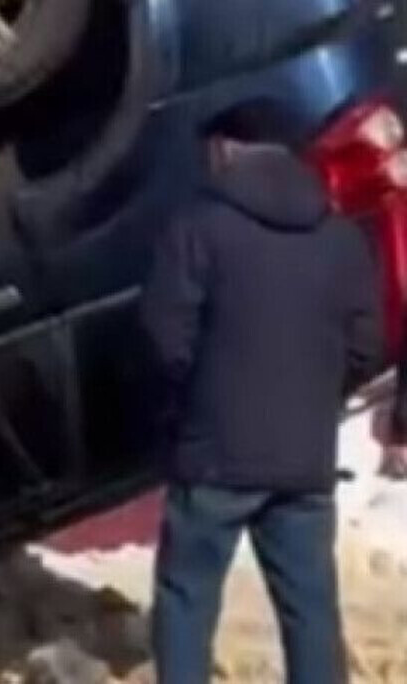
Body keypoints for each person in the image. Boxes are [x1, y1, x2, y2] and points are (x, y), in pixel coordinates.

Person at [139, 111, 383, 684]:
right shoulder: (340, 235)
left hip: (214, 455)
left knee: (187, 600)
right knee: (311, 611)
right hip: (304, 461)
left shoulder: (197, 226)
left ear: (225, 149)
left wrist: (191, 402)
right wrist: (318, 397)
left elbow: (162, 334)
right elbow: (367, 343)